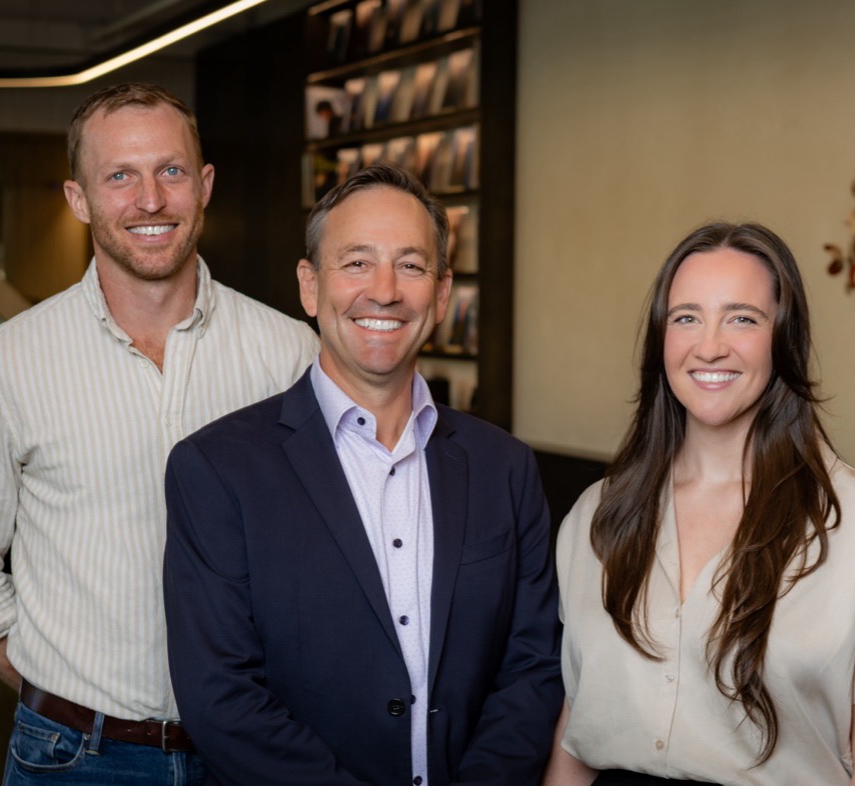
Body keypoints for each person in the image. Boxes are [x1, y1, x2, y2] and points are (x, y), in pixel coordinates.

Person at [0, 82, 318, 785]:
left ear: (205, 185)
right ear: (80, 199)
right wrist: (66, 694)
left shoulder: (292, 356)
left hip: (255, 750)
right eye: (120, 176)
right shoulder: (1, 365)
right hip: (73, 757)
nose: (151, 200)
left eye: (170, 171)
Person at [162, 164, 561, 785]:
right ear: (309, 286)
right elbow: (222, 698)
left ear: (443, 291)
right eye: (355, 263)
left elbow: (534, 666)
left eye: (411, 265)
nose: (385, 290)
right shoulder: (217, 469)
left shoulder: (504, 466)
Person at [543, 222, 855, 785]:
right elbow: (576, 725)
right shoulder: (597, 516)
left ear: (783, 339)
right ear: (660, 339)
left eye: (742, 318)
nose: (710, 345)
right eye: (686, 317)